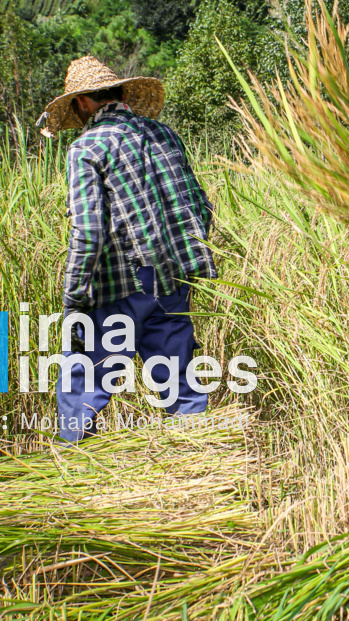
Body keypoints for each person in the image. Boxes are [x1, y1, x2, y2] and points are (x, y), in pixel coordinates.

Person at [39, 56, 217, 442]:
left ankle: (70, 468)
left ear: (84, 102)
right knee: (178, 378)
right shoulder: (163, 134)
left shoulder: (86, 149)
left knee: (84, 374)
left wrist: (73, 297)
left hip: (120, 285)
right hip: (172, 278)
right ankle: (200, 460)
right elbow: (200, 206)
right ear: (120, 94)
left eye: (76, 107)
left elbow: (88, 231)